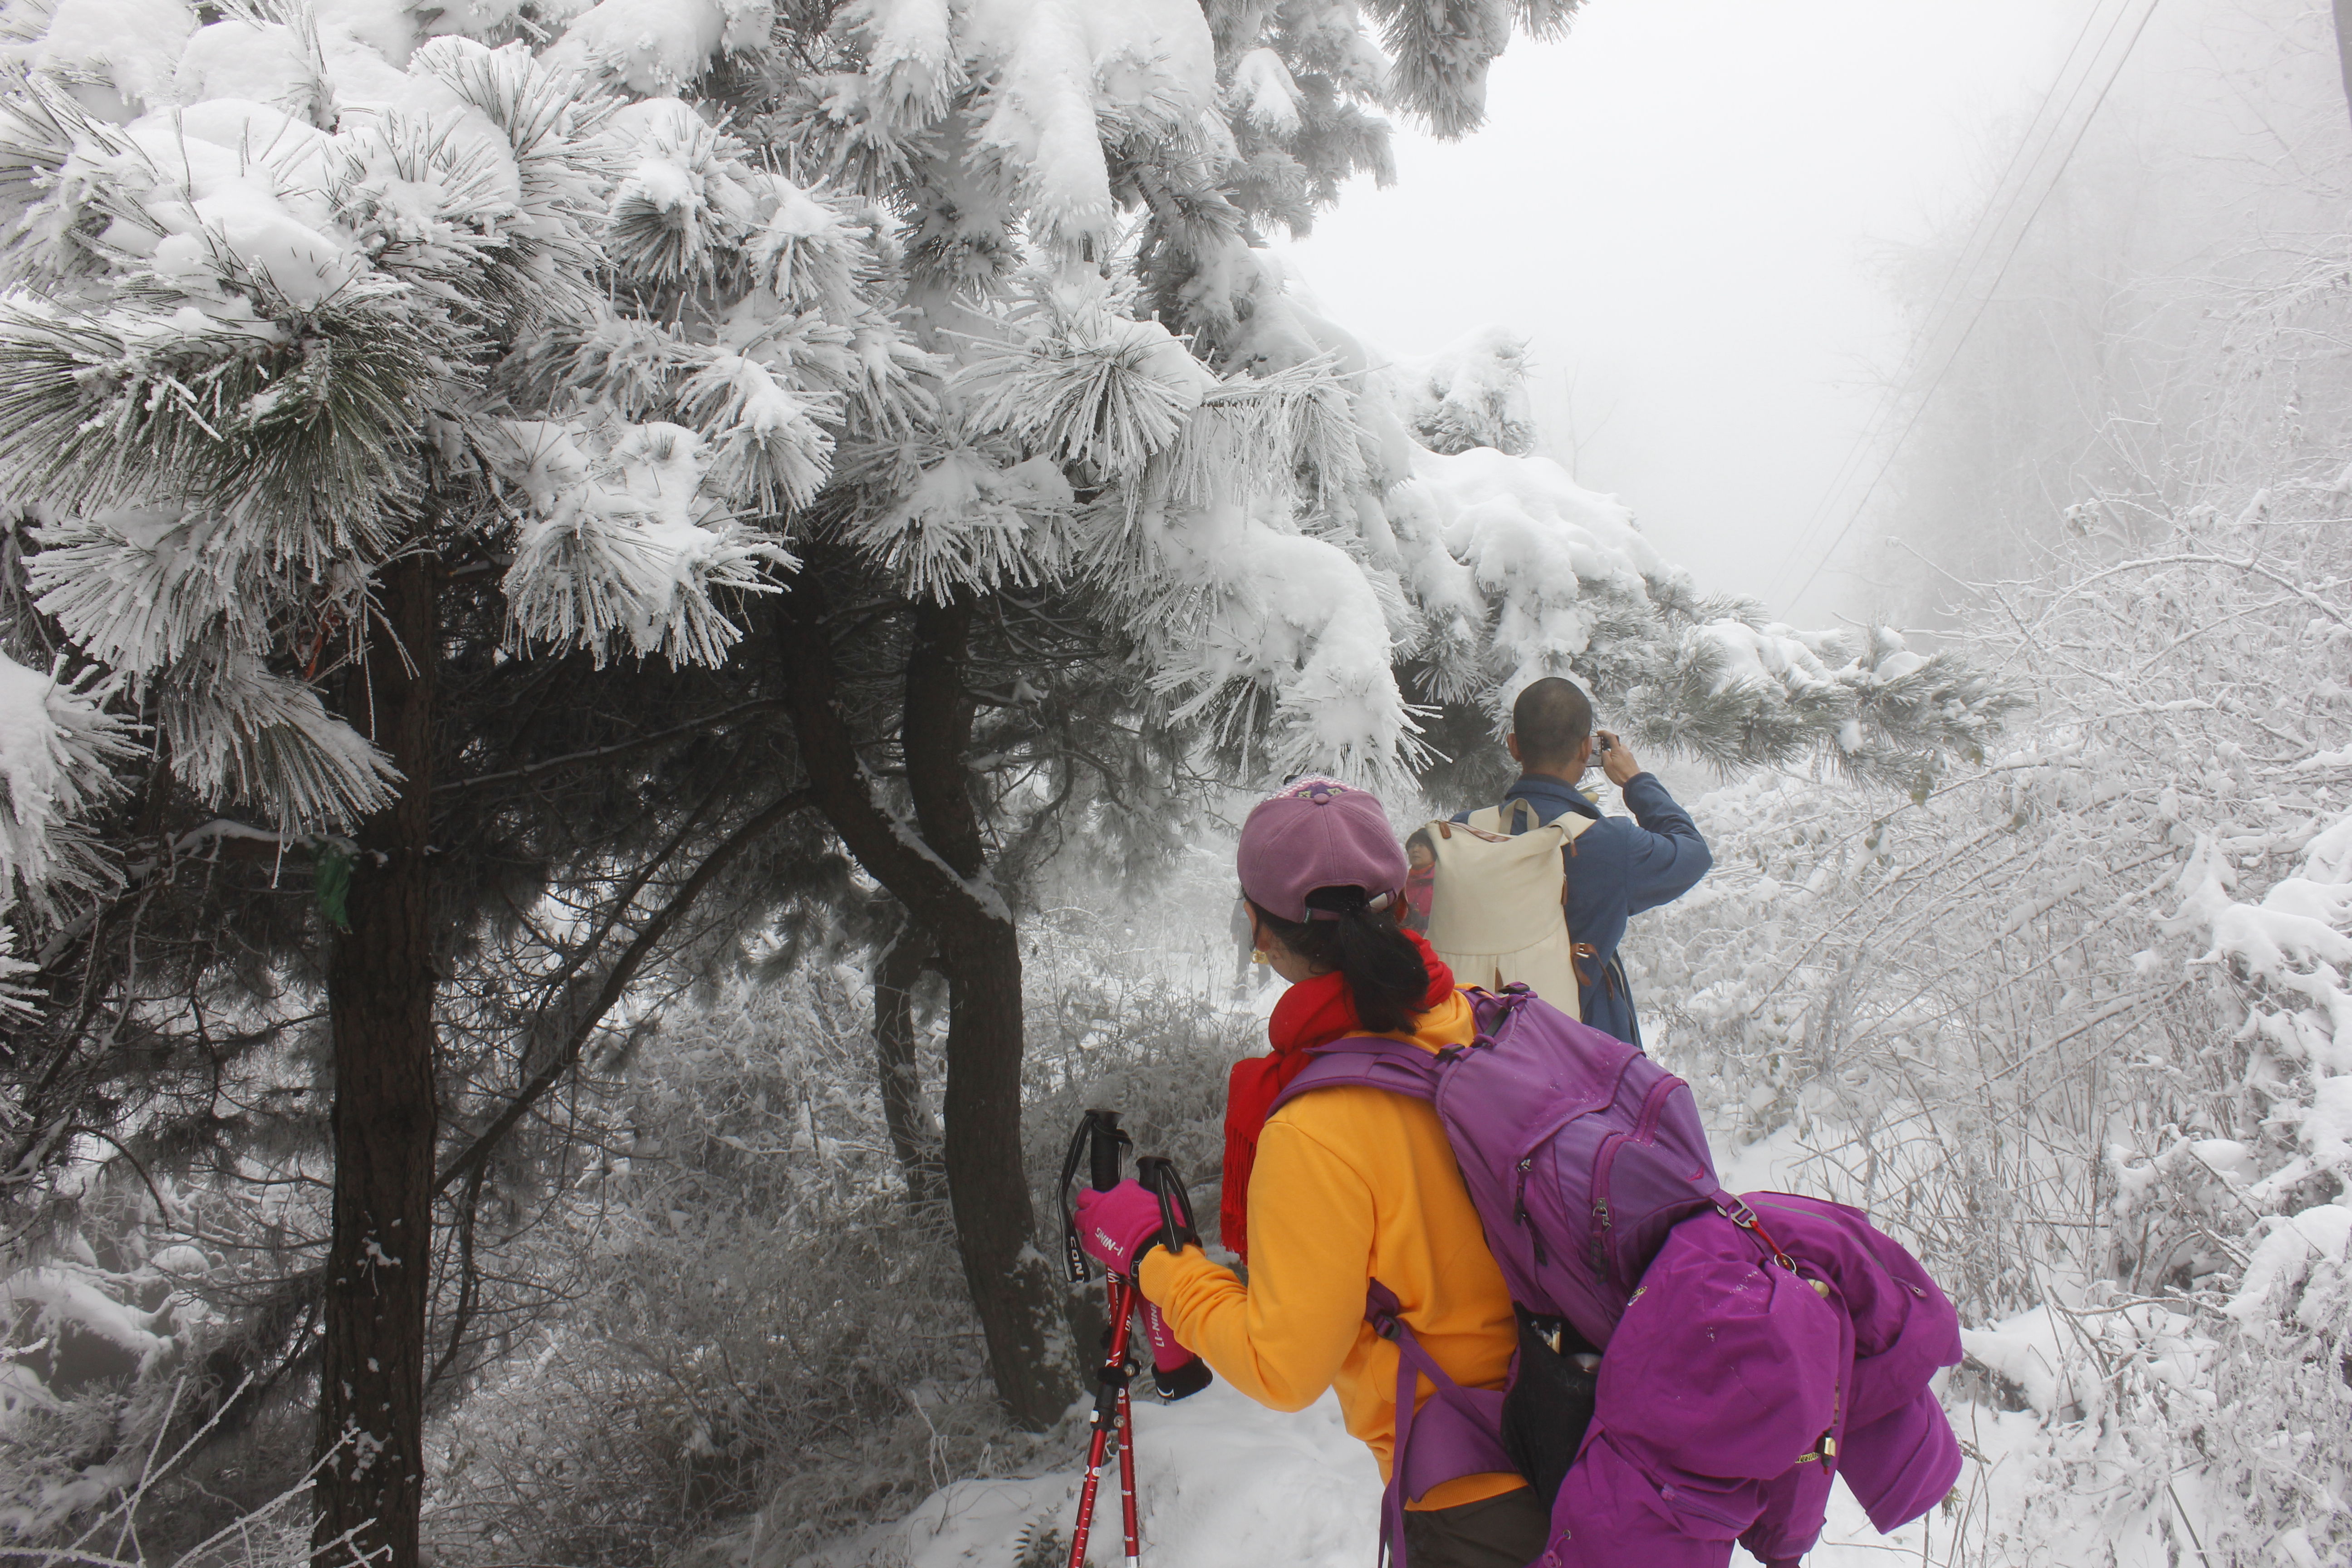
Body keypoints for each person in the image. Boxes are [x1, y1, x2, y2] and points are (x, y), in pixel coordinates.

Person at [1085, 776, 1549, 1568]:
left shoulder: (1314, 1128)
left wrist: (1154, 1262)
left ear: (1258, 934)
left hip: (1472, 1496)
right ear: (1402, 907)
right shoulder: (1480, 1020)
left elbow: (1284, 1366)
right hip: (1580, 1432)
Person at [1460, 677, 1709, 1046]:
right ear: (1586, 749)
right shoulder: (1610, 845)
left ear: (1514, 746)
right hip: (1578, 1055)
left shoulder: (1461, 833)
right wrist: (1635, 781)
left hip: (1475, 1045)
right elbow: (1693, 851)